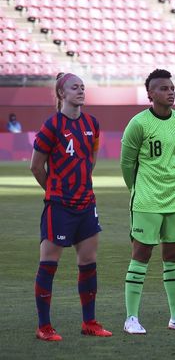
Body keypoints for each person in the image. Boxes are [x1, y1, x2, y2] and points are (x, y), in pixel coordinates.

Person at [30, 73, 112, 340]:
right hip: (59, 206)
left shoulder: (92, 124)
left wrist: (80, 186)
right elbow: (36, 166)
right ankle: (44, 326)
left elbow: (91, 159)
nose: (80, 90)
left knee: (88, 262)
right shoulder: (51, 126)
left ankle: (89, 322)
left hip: (86, 203)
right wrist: (55, 190)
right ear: (61, 93)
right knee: (49, 264)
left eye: (82, 87)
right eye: (74, 87)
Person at [120, 68, 175, 334]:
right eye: (164, 88)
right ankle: (131, 318)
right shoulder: (138, 123)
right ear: (150, 94)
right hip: (146, 201)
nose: (170, 92)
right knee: (141, 255)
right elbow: (126, 164)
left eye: (172, 88)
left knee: (174, 256)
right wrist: (137, 190)